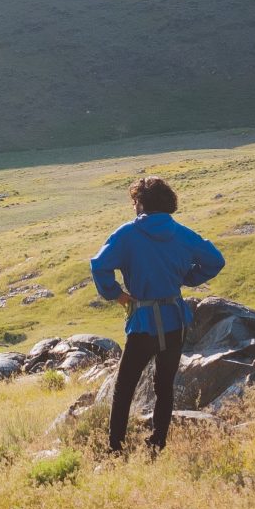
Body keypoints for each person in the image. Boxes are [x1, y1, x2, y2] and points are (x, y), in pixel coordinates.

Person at [88, 175, 225, 453]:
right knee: (164, 385)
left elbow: (99, 266)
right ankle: (157, 443)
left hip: (143, 322)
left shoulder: (126, 234)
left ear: (140, 203)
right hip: (174, 320)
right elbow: (215, 260)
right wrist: (187, 277)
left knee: (124, 387)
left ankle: (115, 447)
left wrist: (117, 294)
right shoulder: (182, 233)